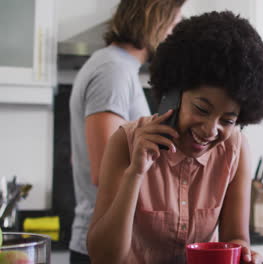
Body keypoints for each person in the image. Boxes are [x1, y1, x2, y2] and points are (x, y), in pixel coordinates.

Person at [87, 11, 263, 264]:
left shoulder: (235, 149)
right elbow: (104, 258)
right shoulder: (126, 141)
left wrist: (244, 254)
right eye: (201, 109)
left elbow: (236, 238)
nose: (211, 129)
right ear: (173, 95)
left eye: (228, 120)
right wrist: (135, 173)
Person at [68, 0, 185, 263]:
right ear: (156, 20)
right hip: (103, 246)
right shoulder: (113, 71)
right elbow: (103, 168)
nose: (174, 35)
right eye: (175, 24)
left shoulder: (118, 68)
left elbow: (81, 159)